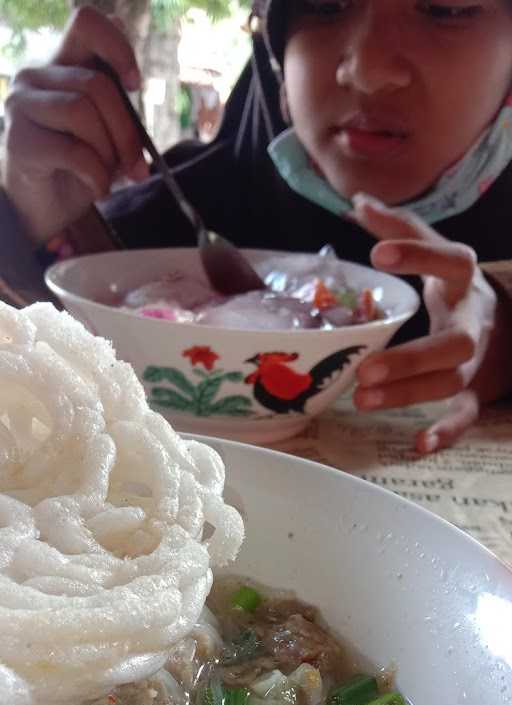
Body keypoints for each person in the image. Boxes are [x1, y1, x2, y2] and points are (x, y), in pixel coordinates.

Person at [2, 0, 512, 453]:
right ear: (274, 40)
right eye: (324, 6)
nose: (368, 70)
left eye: (447, 9)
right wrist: (37, 217)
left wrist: (503, 347)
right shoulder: (165, 221)